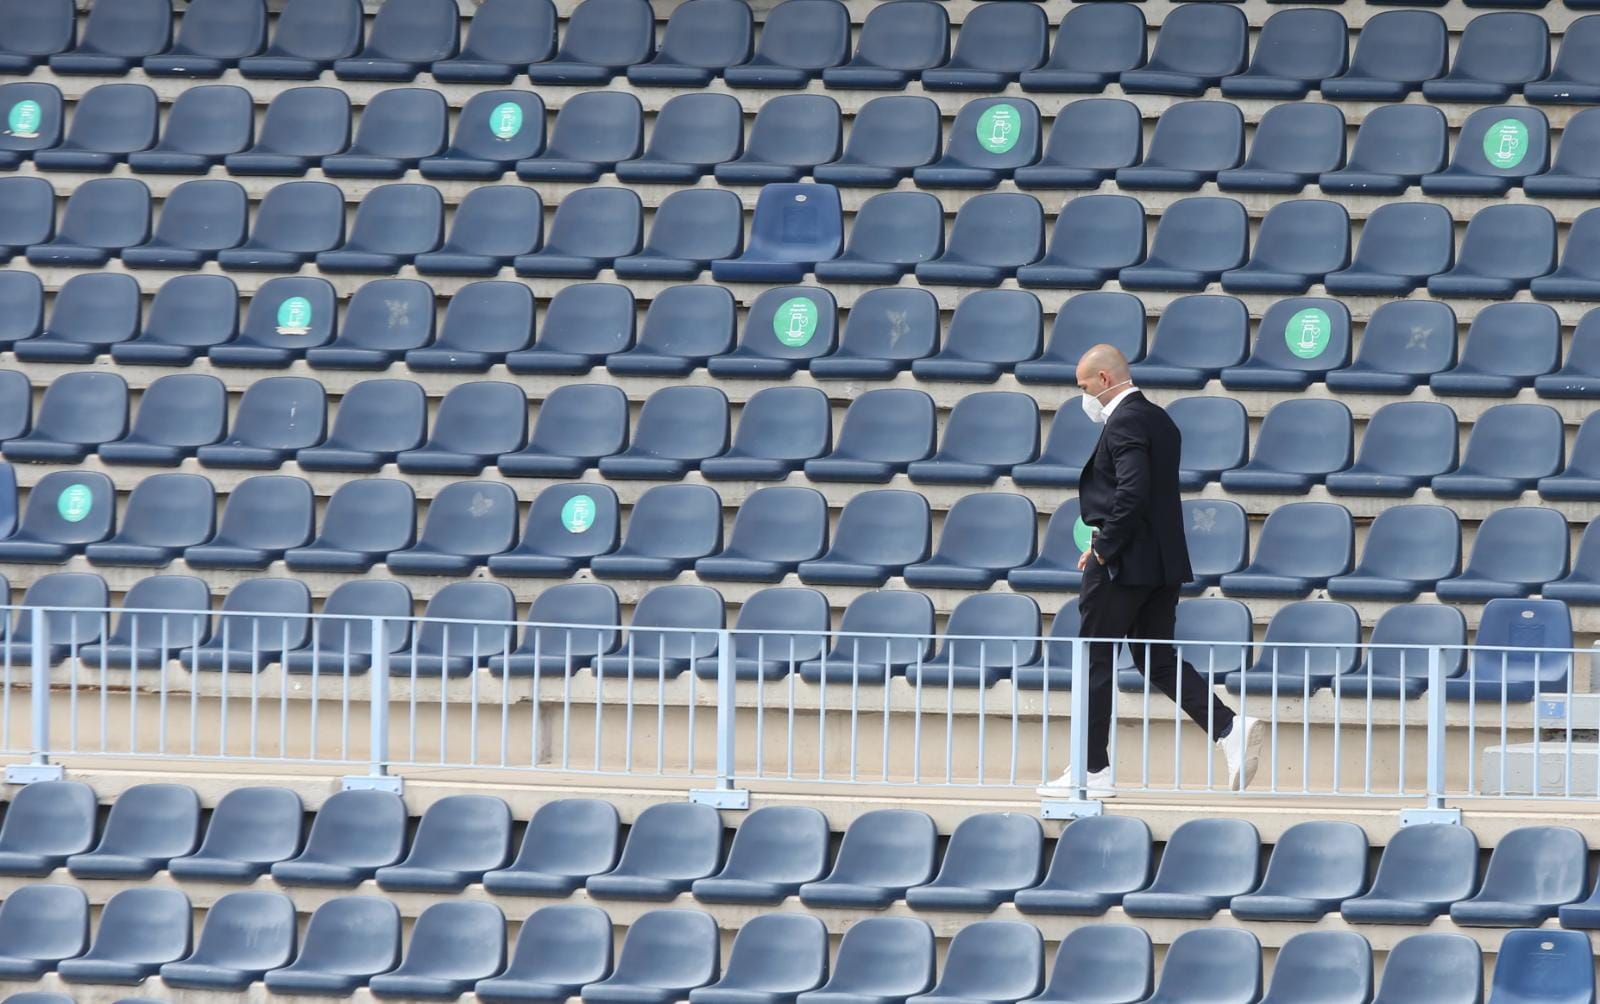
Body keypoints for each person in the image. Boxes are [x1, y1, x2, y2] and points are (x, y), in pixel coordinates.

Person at [1037, 344, 1263, 799]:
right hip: (1160, 565)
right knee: (1156, 659)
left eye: (1085, 387)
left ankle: (1091, 769)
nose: (1085, 397)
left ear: (1103, 380)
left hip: (1123, 565)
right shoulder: (1160, 418)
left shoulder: (1124, 421)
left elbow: (1133, 492)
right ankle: (1228, 727)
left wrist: (1104, 548)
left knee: (1092, 658)